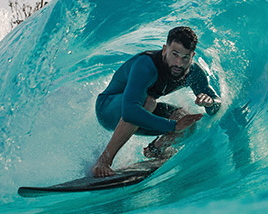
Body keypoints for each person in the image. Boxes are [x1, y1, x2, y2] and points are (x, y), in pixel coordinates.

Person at [91, 26, 221, 177]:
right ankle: (103, 161)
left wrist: (210, 103)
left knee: (187, 121)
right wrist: (173, 126)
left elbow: (217, 103)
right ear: (165, 49)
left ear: (192, 56)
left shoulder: (193, 73)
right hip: (109, 109)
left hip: (139, 112)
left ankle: (156, 150)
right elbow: (130, 111)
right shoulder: (146, 65)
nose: (179, 63)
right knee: (149, 102)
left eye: (185, 57)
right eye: (175, 54)